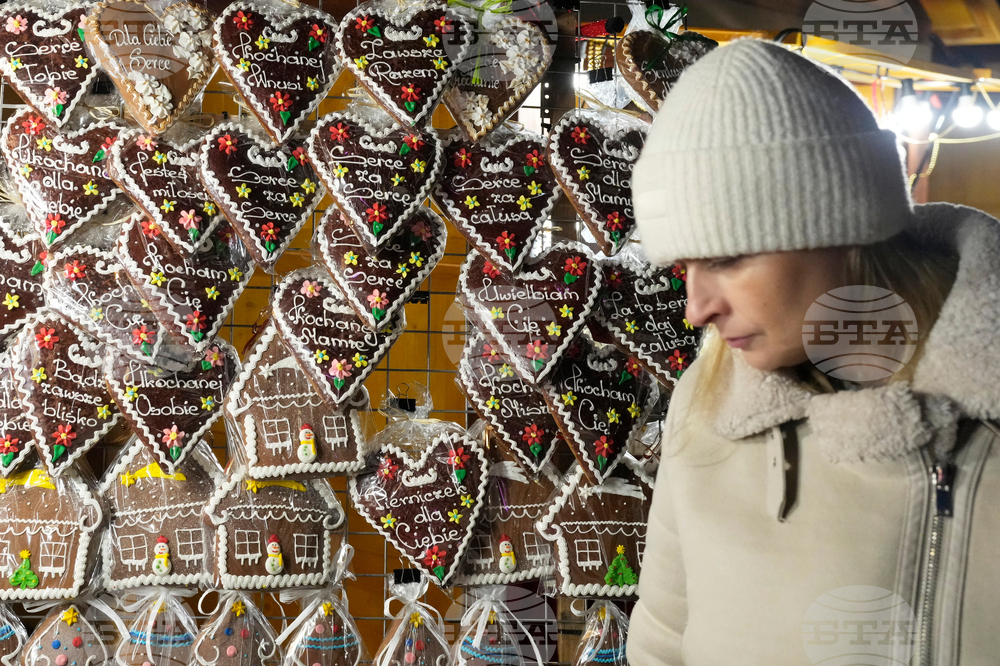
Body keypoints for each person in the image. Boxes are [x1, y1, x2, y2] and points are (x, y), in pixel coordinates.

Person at [627, 38, 1000, 665]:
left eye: (726, 258)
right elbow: (662, 640)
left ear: (844, 224)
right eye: (683, 266)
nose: (696, 309)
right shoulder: (703, 405)